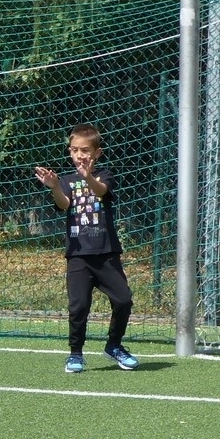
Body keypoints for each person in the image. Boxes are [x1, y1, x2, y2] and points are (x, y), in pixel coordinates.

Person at [34, 124, 139, 373]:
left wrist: (88, 176)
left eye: (85, 150)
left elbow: (101, 191)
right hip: (79, 256)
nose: (80, 155)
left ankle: (114, 345)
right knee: (79, 306)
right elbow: (64, 204)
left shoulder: (105, 175)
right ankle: (76, 354)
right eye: (74, 150)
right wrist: (55, 187)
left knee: (123, 300)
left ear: (97, 152)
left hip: (106, 254)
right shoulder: (67, 181)